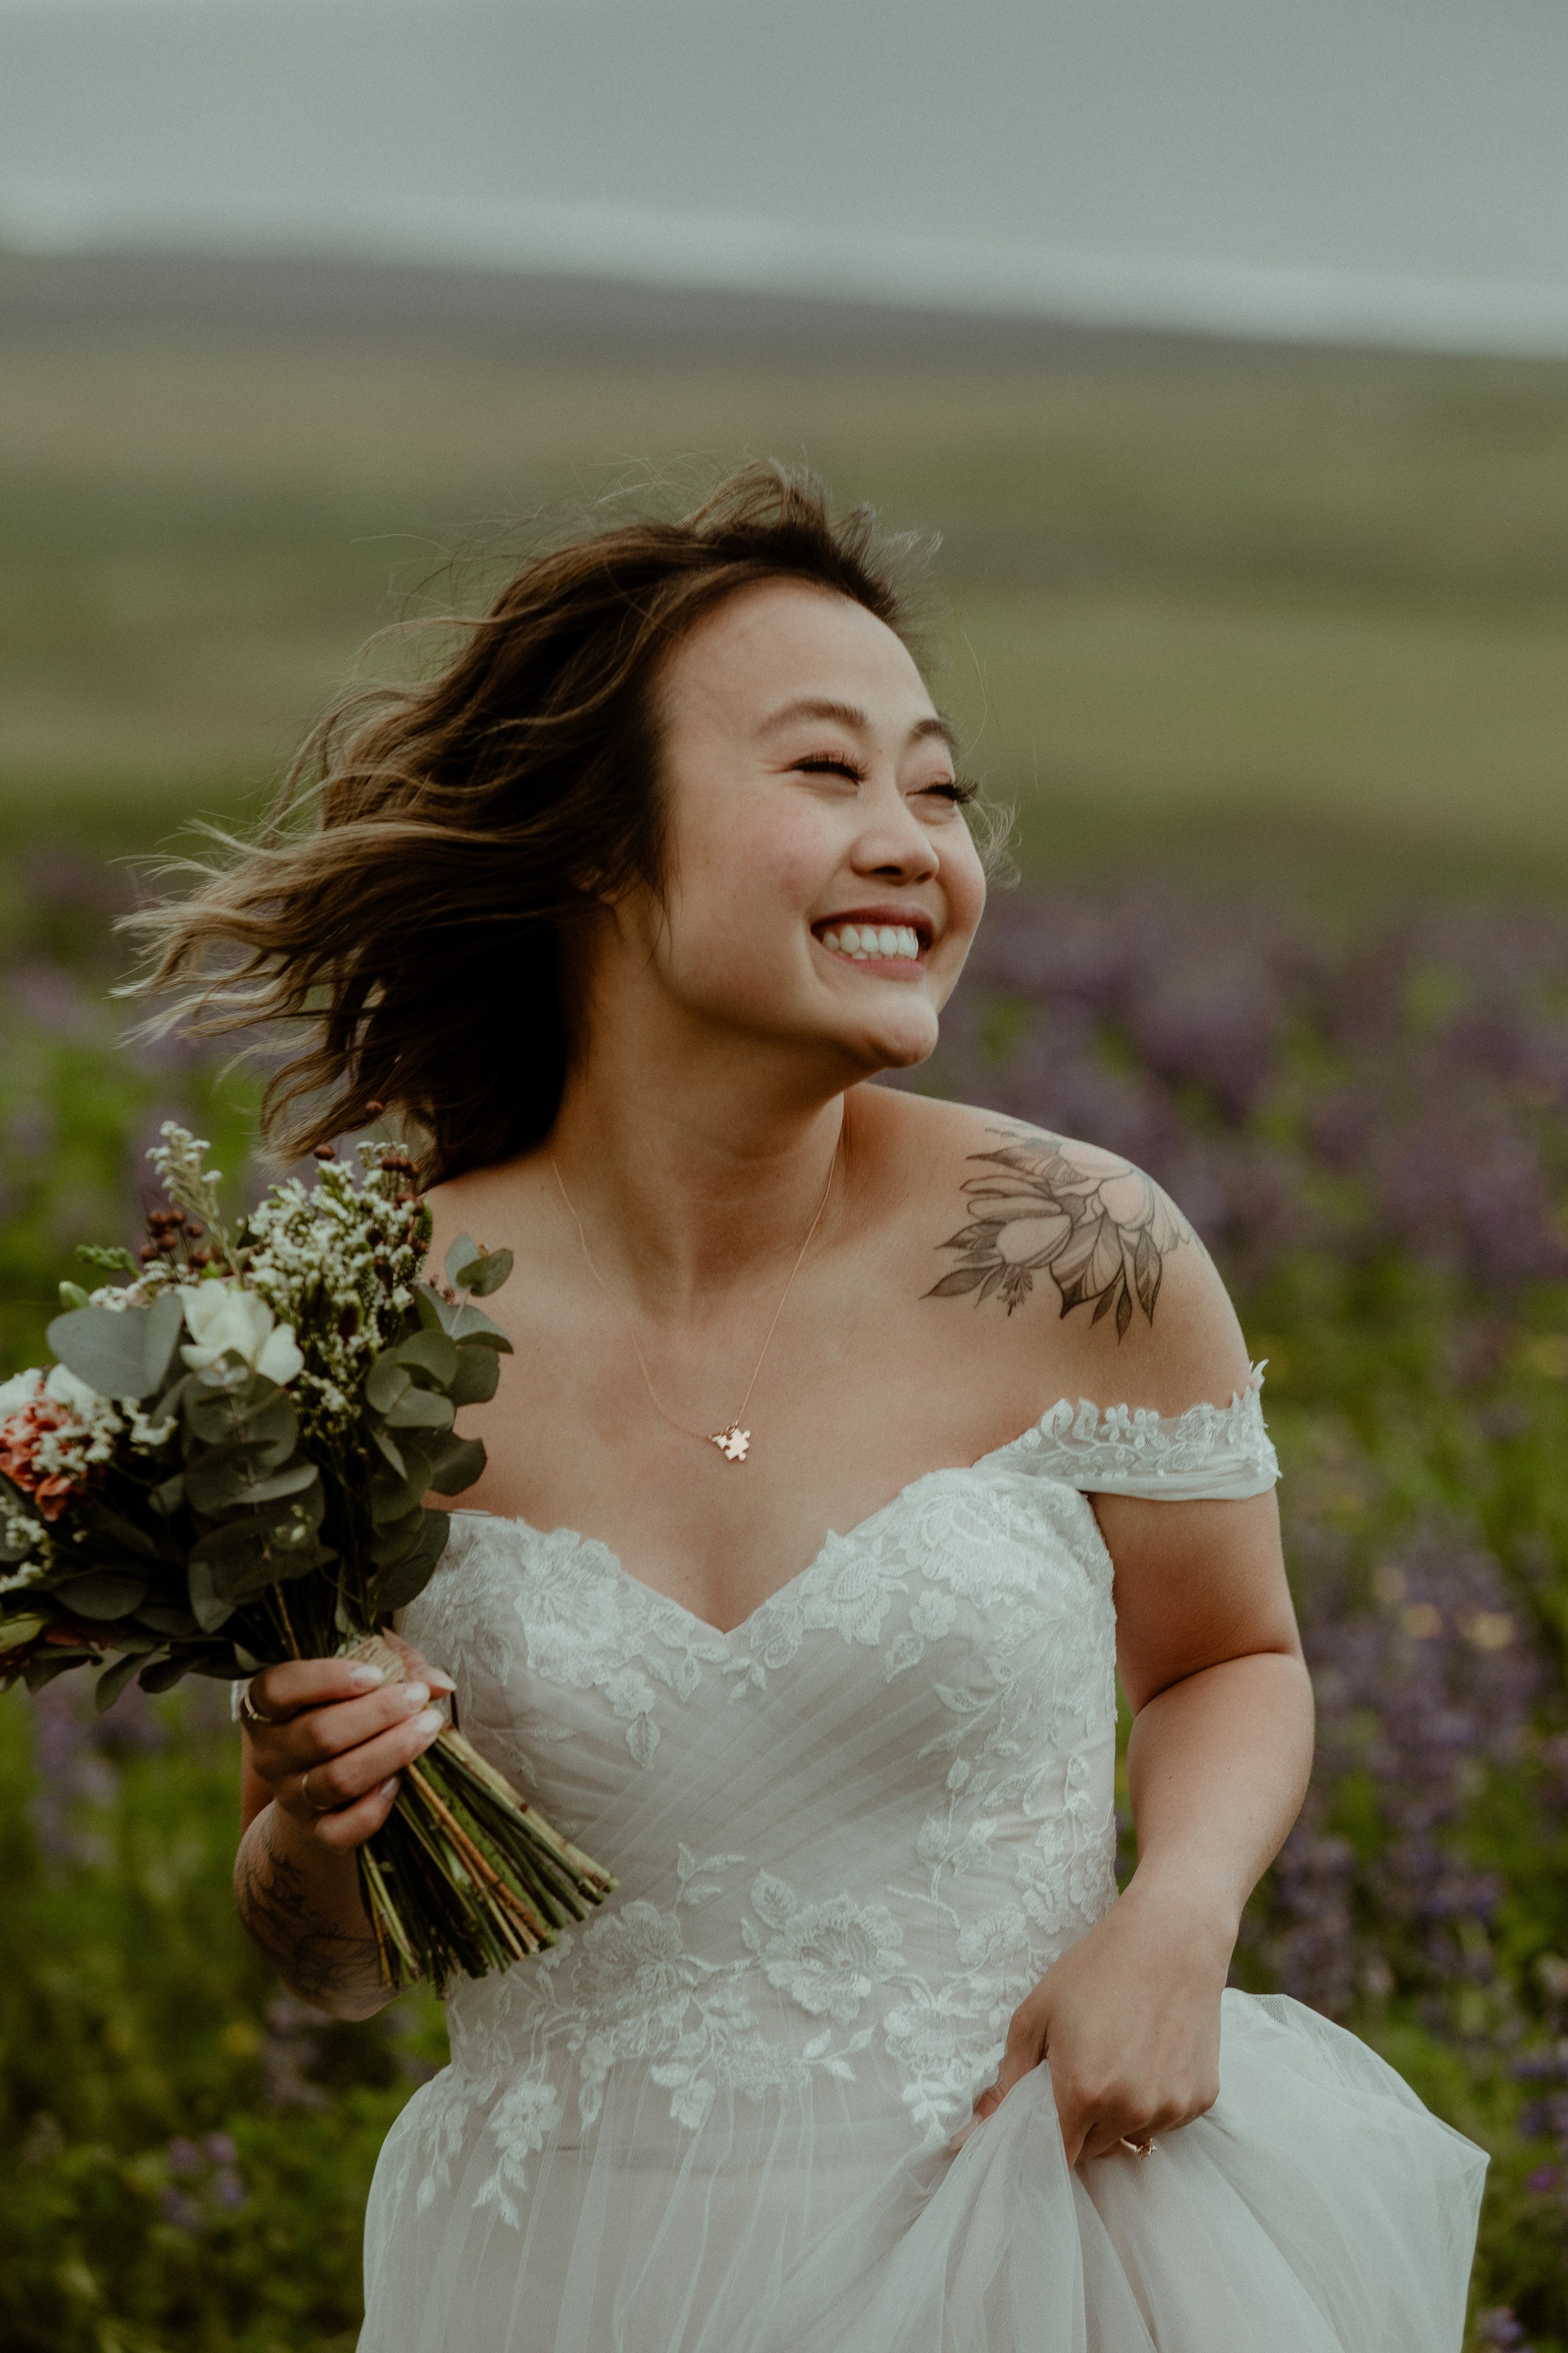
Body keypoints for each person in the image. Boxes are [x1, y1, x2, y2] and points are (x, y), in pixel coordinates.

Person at [144, 466, 1485, 2351]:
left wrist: (1177, 1919)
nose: (913, 842)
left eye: (936, 789)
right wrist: (309, 1827)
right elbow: (326, 1966)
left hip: (1042, 2246)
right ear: (603, 846)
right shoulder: (350, 1341)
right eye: (825, 773)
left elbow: (1227, 1660)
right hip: (556, 2279)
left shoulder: (1078, 1251)